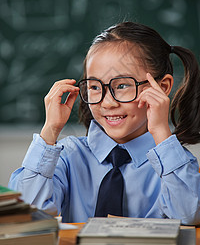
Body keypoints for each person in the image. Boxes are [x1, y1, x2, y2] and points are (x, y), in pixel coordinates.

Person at [9, 21, 200, 225]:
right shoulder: (66, 157)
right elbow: (26, 214)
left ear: (162, 87)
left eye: (123, 85)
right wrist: (50, 131)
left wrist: (162, 133)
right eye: (95, 87)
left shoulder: (174, 165)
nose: (108, 103)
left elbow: (190, 215)